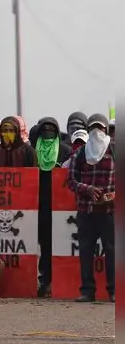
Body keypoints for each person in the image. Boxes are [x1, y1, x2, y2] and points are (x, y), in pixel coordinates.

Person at [66, 114, 114, 303]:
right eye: (92, 128)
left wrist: (115, 194)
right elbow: (70, 181)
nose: (96, 132)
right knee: (85, 251)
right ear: (87, 130)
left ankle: (114, 291)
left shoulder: (115, 150)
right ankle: (87, 290)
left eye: (100, 128)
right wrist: (87, 189)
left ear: (106, 130)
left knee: (112, 251)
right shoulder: (80, 153)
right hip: (86, 210)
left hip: (110, 211)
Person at [34, 117, 73, 297]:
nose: (47, 131)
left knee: (59, 243)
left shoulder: (64, 151)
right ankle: (45, 280)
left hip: (59, 205)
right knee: (44, 243)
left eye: (51, 128)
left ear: (57, 131)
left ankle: (60, 281)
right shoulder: (34, 150)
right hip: (37, 204)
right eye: (44, 128)